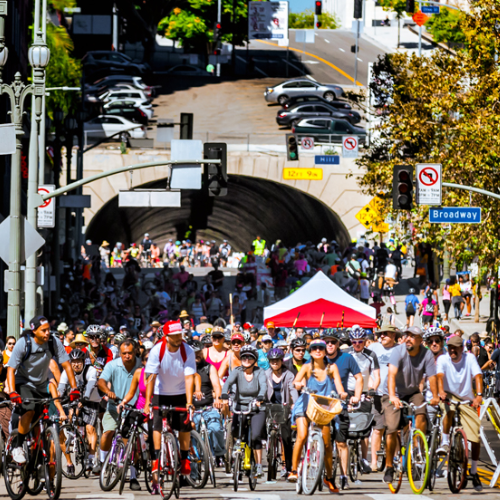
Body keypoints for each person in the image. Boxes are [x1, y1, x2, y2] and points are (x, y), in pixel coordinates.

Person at [7, 316, 78, 464]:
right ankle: (18, 446)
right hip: (24, 383)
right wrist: (13, 392)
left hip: (41, 384)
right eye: (43, 330)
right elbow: (11, 369)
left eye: (48, 330)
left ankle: (38, 457)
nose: (47, 333)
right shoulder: (24, 343)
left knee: (43, 418)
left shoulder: (53, 342)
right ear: (34, 330)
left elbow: (66, 365)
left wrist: (74, 388)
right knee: (30, 410)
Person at [382, 326, 439, 484]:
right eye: (407, 335)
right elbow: (391, 375)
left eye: (413, 336)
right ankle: (388, 467)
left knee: (421, 412)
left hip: (413, 392)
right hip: (394, 393)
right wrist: (393, 396)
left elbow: (432, 377)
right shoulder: (398, 351)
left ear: (421, 340)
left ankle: (417, 449)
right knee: (392, 428)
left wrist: (435, 396)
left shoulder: (426, 354)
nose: (408, 338)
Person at [289, 339, 346, 491]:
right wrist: (298, 384)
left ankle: (329, 477)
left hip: (323, 407)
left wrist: (342, 393)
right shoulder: (307, 367)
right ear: (311, 351)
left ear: (325, 350)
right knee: (301, 435)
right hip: (306, 404)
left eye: (321, 348)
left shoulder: (331, 367)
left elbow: (339, 384)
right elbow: (296, 381)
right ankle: (293, 470)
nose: (318, 350)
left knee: (327, 444)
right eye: (314, 348)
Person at [144, 321, 196, 476]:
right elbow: (151, 377)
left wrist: (189, 402)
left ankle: (185, 458)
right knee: (157, 426)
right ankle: (157, 458)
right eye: (174, 336)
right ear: (166, 337)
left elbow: (189, 378)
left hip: (180, 393)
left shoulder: (188, 350)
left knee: (184, 426)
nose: (178, 338)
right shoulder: (156, 351)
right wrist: (147, 402)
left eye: (180, 334)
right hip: (161, 393)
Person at [436, 335, 483, 491]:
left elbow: (478, 376)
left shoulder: (469, 358)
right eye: (450, 347)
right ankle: (444, 441)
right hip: (448, 395)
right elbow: (440, 376)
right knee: (448, 411)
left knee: (475, 436)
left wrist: (479, 395)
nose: (452, 350)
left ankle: (474, 471)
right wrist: (441, 391)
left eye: (455, 348)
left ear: (462, 348)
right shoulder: (443, 359)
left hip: (466, 399)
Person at [95, 339, 142, 486]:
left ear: (135, 352)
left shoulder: (142, 365)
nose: (127, 356)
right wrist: (108, 392)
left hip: (134, 408)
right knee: (107, 433)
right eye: (124, 353)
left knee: (132, 442)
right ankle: (103, 464)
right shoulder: (112, 365)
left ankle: (133, 476)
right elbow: (101, 381)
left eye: (129, 353)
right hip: (114, 406)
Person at [323, 330, 363, 489]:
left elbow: (359, 377)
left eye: (333, 342)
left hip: (341, 404)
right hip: (322, 406)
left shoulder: (347, 358)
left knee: (341, 442)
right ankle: (325, 474)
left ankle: (344, 476)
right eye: (327, 342)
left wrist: (357, 396)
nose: (330, 345)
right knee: (324, 442)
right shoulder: (319, 358)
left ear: (338, 343)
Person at [222, 345, 267, 477]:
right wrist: (224, 394)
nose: (246, 359)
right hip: (241, 406)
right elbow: (227, 383)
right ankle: (238, 453)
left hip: (256, 407)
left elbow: (263, 386)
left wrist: (260, 397)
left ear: (255, 360)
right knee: (236, 430)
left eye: (250, 357)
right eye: (244, 357)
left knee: (255, 436)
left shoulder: (260, 372)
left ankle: (258, 466)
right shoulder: (237, 371)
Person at [346, 326, 380, 473]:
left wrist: (372, 390)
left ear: (365, 341)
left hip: (365, 392)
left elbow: (376, 375)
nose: (357, 344)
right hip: (347, 391)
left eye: (360, 341)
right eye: (354, 342)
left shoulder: (371, 355)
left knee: (364, 429)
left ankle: (364, 459)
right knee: (345, 425)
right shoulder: (345, 354)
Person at [189, 340, 225, 465]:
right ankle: (194, 468)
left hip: (208, 407)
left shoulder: (209, 367)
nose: (196, 356)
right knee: (189, 436)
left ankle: (219, 452)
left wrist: (218, 399)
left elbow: (216, 385)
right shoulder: (185, 369)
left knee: (215, 429)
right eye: (193, 353)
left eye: (198, 353)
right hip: (191, 410)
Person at [368, 325, 399, 471]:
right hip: (377, 393)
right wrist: (369, 386)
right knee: (378, 428)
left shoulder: (399, 350)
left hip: (393, 394)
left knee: (394, 430)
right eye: (380, 334)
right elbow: (367, 367)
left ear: (393, 336)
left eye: (385, 334)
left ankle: (395, 459)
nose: (382, 336)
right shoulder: (374, 347)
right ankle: (374, 461)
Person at [265, 348, 298, 477]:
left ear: (281, 361)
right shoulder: (265, 374)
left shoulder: (288, 374)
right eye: (272, 361)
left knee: (286, 438)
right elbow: (261, 389)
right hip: (270, 408)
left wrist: (294, 403)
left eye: (277, 360)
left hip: (284, 408)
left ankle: (289, 467)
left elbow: (293, 389)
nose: (275, 363)